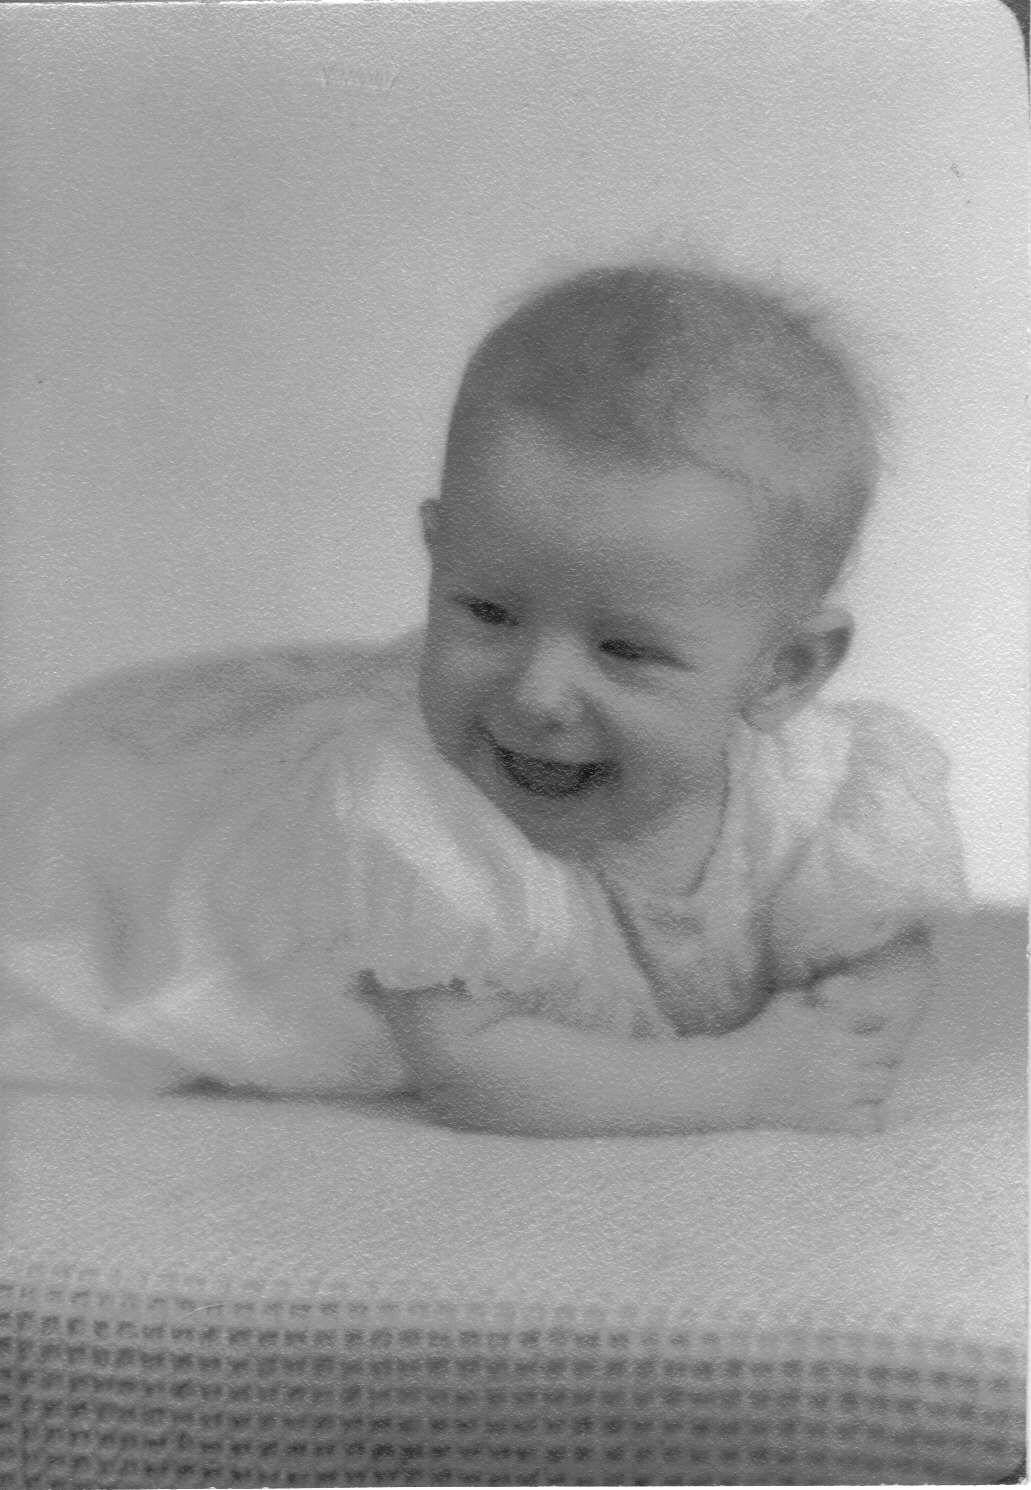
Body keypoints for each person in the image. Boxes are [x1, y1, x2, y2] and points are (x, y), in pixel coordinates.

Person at [0, 261, 967, 1133]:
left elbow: (881, 945)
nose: (536, 693)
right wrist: (744, 1082)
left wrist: (858, 1009)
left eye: (625, 649)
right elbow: (473, 1070)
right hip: (169, 866)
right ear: (440, 555)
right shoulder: (420, 820)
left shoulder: (813, 791)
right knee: (68, 850)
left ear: (783, 672)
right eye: (487, 612)